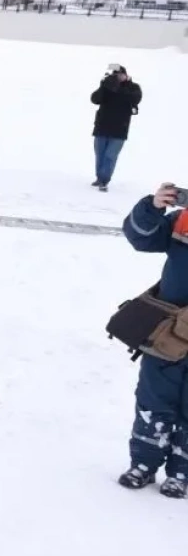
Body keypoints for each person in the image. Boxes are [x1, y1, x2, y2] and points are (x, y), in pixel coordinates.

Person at [117, 182, 188, 499]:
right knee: (153, 398)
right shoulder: (182, 221)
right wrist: (153, 206)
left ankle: (181, 473)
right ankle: (144, 464)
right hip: (168, 332)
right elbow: (141, 237)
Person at [90, 64, 142, 192]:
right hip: (102, 126)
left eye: (120, 75)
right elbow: (94, 99)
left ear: (126, 75)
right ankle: (99, 177)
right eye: (115, 75)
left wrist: (118, 87)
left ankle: (104, 180)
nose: (117, 77)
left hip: (119, 129)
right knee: (100, 154)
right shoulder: (106, 87)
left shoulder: (133, 87)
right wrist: (103, 86)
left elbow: (135, 98)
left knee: (110, 156)